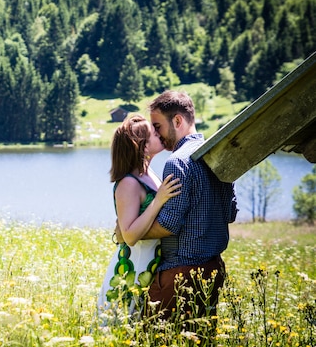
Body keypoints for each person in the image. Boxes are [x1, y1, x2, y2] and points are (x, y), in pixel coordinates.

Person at [143, 91, 238, 333]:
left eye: (158, 126)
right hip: (213, 269)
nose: (157, 135)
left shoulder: (177, 162)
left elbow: (168, 225)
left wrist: (130, 232)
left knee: (154, 337)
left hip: (180, 273)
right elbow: (230, 214)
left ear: (177, 121)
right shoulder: (217, 154)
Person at [97, 114, 181, 324]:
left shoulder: (148, 173)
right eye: (154, 132)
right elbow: (130, 235)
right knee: (117, 327)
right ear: (142, 146)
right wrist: (159, 200)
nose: (159, 133)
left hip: (150, 264)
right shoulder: (129, 183)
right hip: (131, 269)